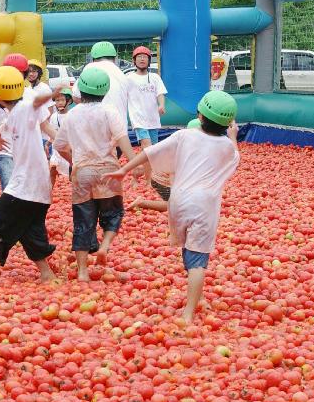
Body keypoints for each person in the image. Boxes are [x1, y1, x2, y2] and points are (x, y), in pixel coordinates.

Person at [105, 91, 239, 323]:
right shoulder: (226, 146)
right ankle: (188, 314)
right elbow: (234, 154)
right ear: (227, 124)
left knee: (188, 248)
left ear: (199, 115)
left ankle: (199, 297)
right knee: (199, 259)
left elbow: (149, 152)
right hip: (204, 205)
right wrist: (233, 134)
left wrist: (124, 170)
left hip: (178, 201)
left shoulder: (185, 136)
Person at [53, 68, 138, 281]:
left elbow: (59, 145)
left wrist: (75, 163)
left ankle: (82, 272)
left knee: (83, 221)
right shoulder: (109, 111)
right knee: (113, 214)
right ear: (105, 91)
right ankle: (105, 246)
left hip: (82, 172)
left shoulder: (72, 115)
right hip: (108, 170)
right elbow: (122, 139)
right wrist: (134, 164)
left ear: (80, 90)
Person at [0, 66, 59, 282]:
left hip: (25, 185)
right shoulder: (14, 113)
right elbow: (6, 125)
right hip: (38, 188)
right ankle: (47, 274)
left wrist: (54, 93)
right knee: (28, 230)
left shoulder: (24, 107)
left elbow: (34, 104)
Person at [0, 54, 54, 189]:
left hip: (28, 153)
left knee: (28, 192)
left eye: (16, 73)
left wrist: (65, 143)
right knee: (10, 188)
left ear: (23, 75)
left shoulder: (31, 96)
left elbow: (45, 125)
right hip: (4, 151)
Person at [129, 118, 201, 213]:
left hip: (163, 177)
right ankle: (142, 203)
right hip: (162, 181)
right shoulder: (187, 151)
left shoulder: (186, 146)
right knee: (177, 205)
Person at [125, 46, 168, 184]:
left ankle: (137, 175)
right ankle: (149, 180)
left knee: (150, 152)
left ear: (149, 61)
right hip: (138, 119)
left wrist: (161, 105)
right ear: (134, 61)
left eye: (145, 57)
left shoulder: (155, 77)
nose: (142, 59)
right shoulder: (129, 78)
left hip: (153, 120)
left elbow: (160, 93)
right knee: (148, 147)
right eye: (139, 57)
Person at [83, 41, 133, 147]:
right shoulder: (121, 74)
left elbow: (76, 96)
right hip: (120, 135)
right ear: (115, 58)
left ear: (93, 57)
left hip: (95, 133)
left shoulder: (90, 68)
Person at [48, 86, 74, 187]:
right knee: (52, 169)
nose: (59, 103)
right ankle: (49, 190)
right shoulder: (54, 116)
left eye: (62, 100)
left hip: (69, 150)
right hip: (57, 149)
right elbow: (53, 132)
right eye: (57, 100)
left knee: (73, 173)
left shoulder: (72, 115)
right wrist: (48, 144)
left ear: (69, 101)